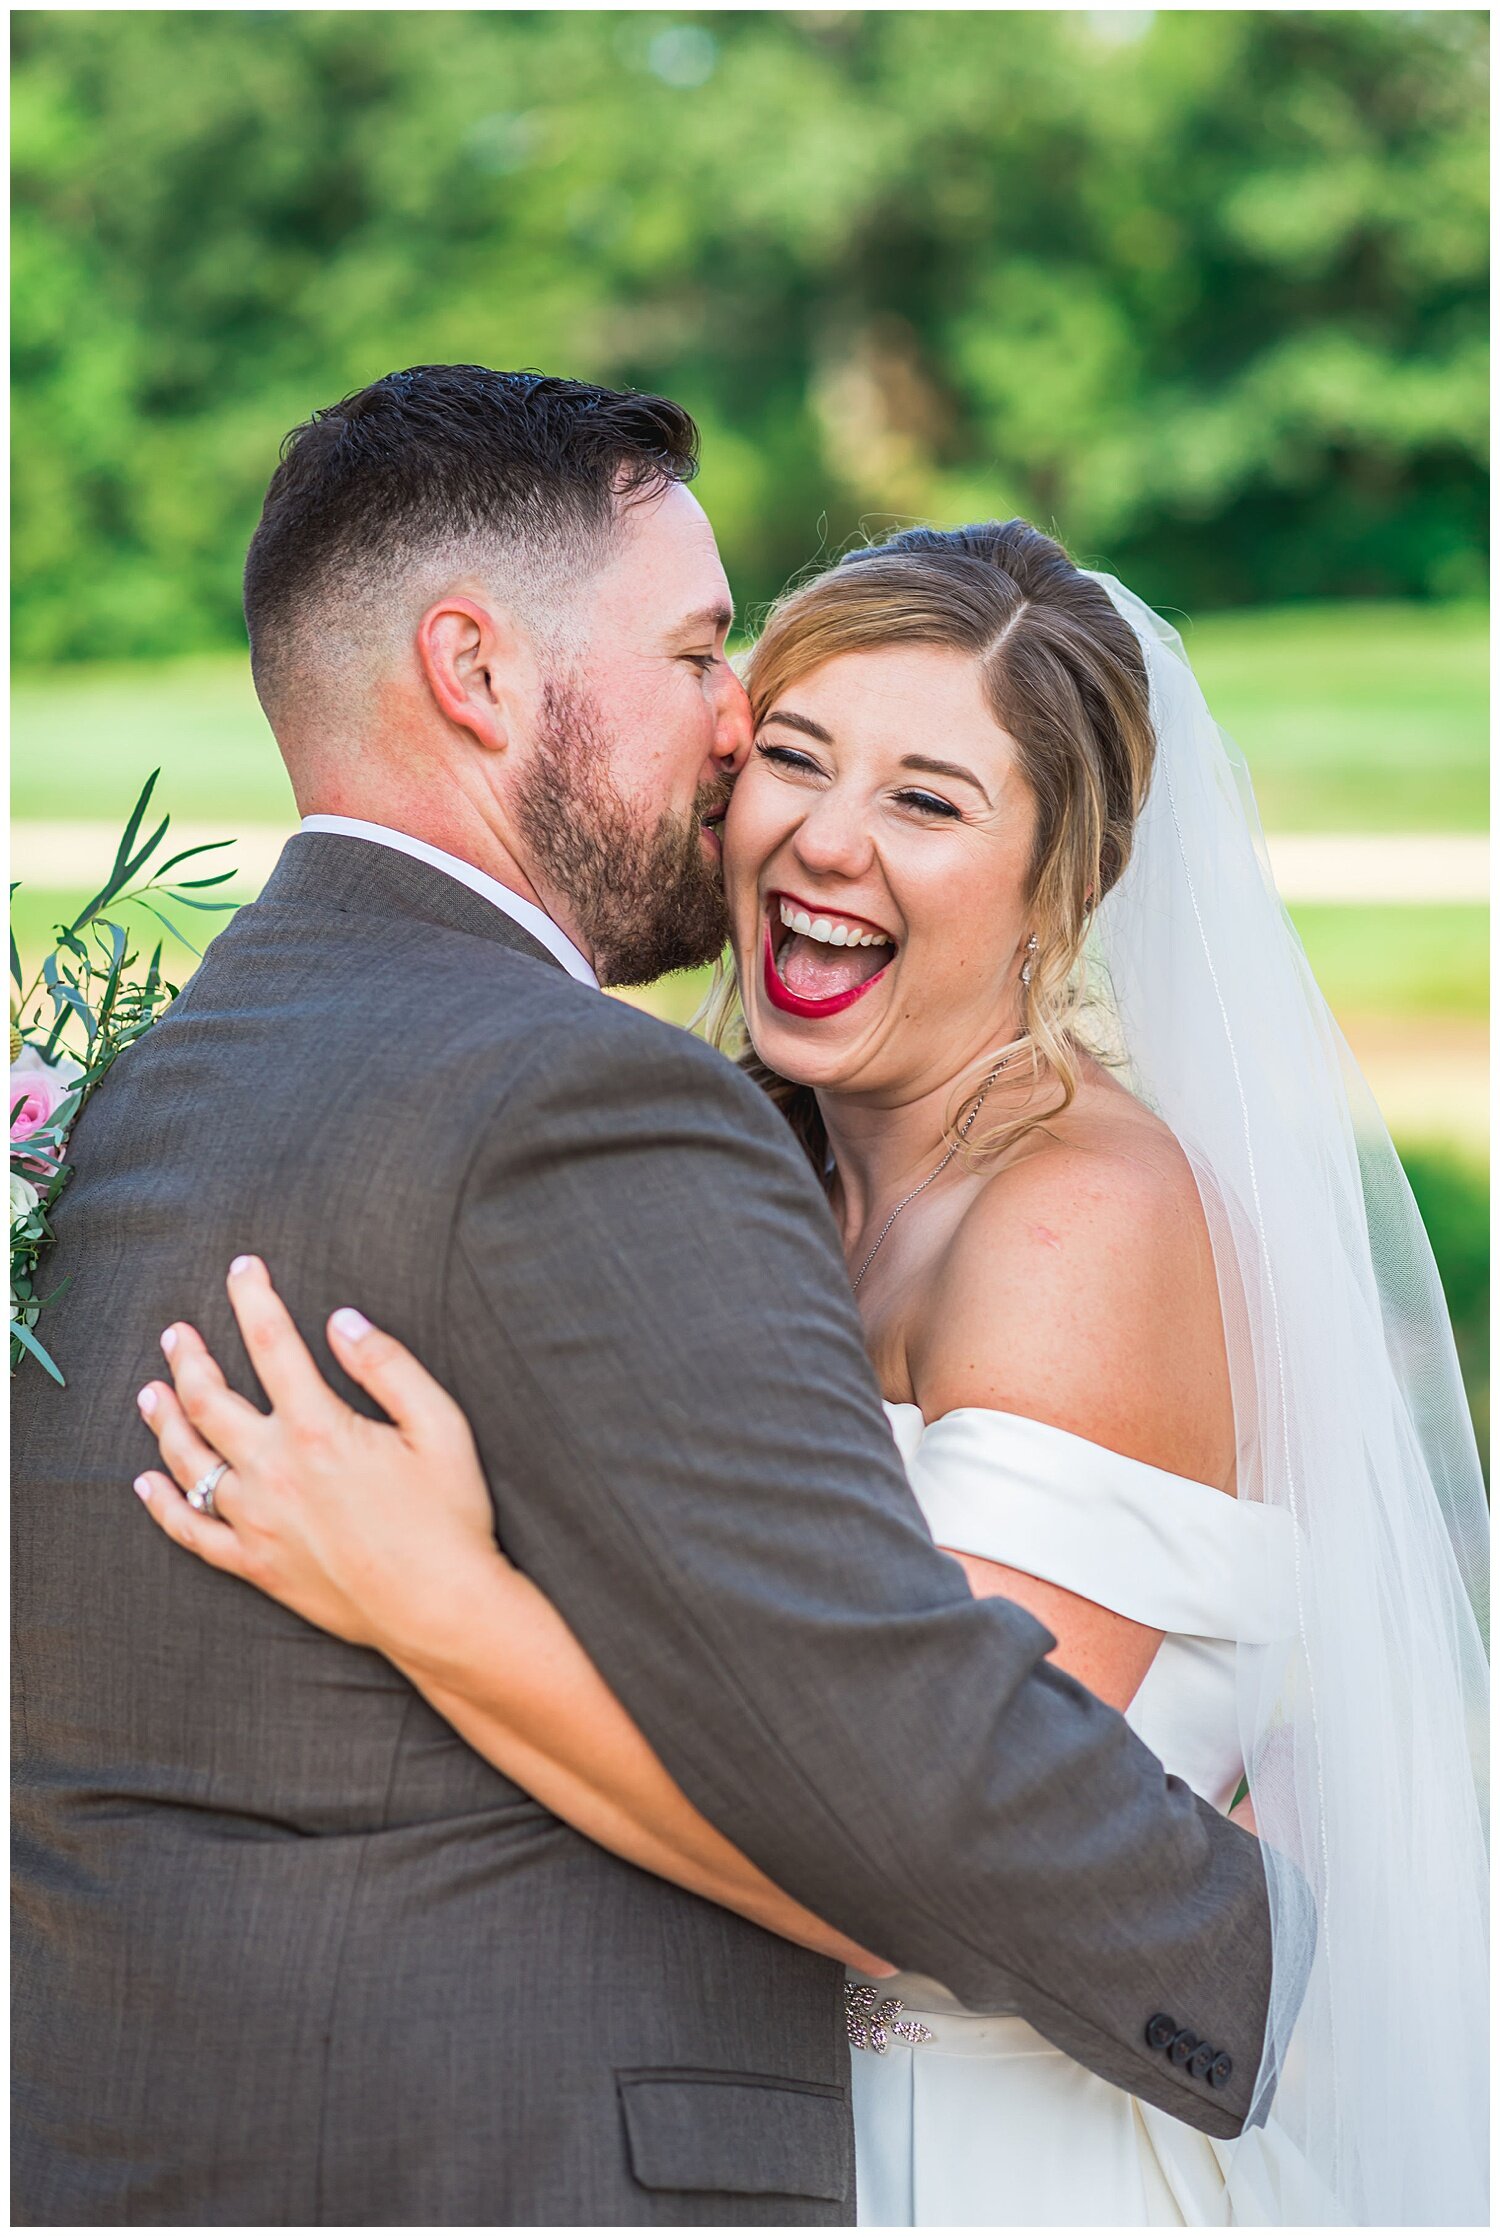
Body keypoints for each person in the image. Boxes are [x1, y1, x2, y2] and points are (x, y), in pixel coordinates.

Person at [11, 370, 1281, 2229]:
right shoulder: (606, 1116)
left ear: (1054, 883)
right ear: (478, 672)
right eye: (718, 672)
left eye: (928, 795)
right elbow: (909, 1806)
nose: (743, 740)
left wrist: (446, 1607)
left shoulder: (162, 1080)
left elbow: (922, 1821)